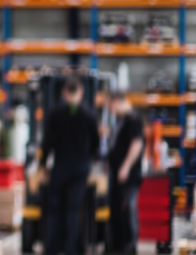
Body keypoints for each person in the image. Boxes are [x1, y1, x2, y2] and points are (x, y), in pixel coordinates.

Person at [39, 76, 100, 255]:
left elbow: (46, 143)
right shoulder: (89, 115)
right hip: (80, 168)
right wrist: (88, 159)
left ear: (64, 92)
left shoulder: (55, 114)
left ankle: (52, 248)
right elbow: (96, 144)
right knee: (74, 210)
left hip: (60, 167)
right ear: (81, 92)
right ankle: (72, 250)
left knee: (55, 210)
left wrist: (43, 166)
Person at [106, 91, 144, 254]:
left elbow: (137, 143)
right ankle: (118, 246)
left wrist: (126, 166)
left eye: (109, 105)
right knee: (118, 210)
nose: (109, 109)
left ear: (117, 101)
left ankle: (130, 248)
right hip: (119, 174)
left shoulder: (133, 119)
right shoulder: (123, 120)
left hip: (128, 174)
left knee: (129, 210)